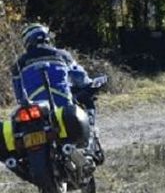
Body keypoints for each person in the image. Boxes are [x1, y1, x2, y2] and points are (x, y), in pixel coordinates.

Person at [11, 23, 103, 163]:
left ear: (27, 41)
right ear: (46, 38)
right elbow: (80, 78)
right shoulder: (61, 55)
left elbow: (18, 94)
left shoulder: (19, 63)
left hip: (35, 110)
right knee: (85, 103)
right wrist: (90, 84)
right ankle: (88, 145)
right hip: (63, 105)